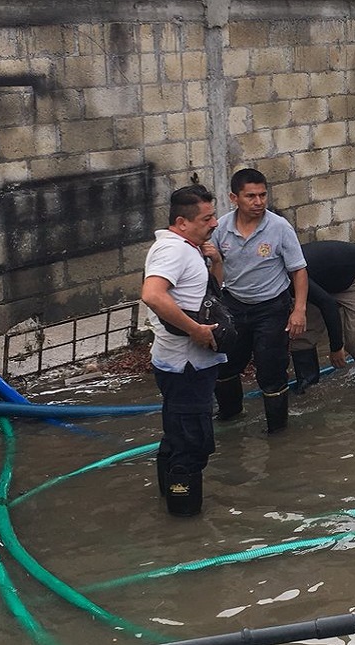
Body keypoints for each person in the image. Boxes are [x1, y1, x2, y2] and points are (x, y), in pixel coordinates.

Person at [141, 184, 226, 517]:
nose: (215, 223)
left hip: (186, 364)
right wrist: (196, 330)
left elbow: (211, 294)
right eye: (207, 218)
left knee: (177, 435)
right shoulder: (173, 250)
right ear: (182, 222)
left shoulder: (189, 248)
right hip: (185, 365)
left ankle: (169, 504)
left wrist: (215, 261)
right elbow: (152, 294)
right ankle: (185, 522)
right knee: (192, 444)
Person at [211, 168, 308, 431]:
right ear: (234, 198)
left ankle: (277, 431)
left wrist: (299, 310)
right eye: (251, 196)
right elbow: (214, 270)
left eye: (263, 195)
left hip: (271, 307)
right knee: (225, 364)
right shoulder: (221, 228)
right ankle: (230, 418)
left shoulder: (279, 227)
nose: (258, 202)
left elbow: (299, 270)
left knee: (271, 369)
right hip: (233, 304)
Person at [290, 241, 355, 393]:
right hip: (321, 282)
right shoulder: (269, 282)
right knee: (300, 333)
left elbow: (329, 305)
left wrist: (336, 348)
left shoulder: (290, 274)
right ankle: (308, 386)